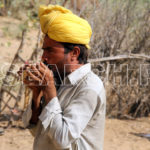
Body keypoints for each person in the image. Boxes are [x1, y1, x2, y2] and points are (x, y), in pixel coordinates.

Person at [19, 5, 106, 150]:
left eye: (50, 50)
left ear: (74, 53)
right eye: (44, 50)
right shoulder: (59, 78)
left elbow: (62, 139)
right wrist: (37, 93)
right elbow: (39, 132)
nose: (43, 57)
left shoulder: (89, 87)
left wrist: (49, 90)